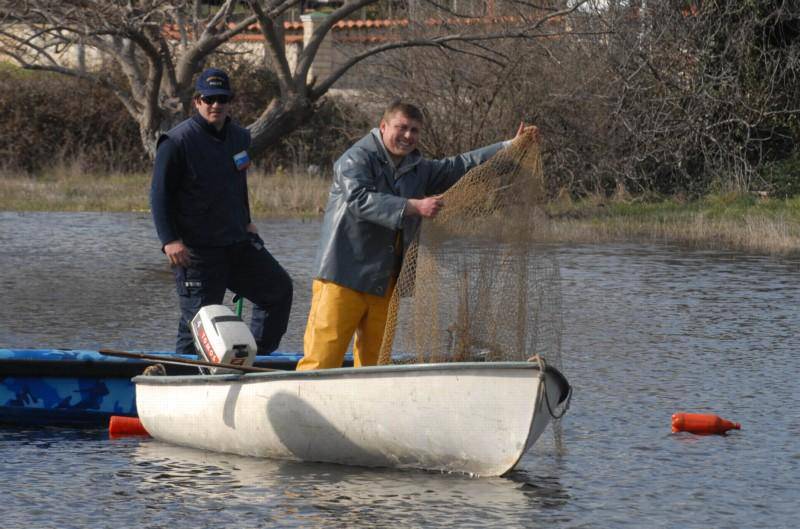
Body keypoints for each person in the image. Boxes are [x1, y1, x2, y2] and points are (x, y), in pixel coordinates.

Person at [297, 100, 538, 371]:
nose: (408, 136)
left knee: (375, 362)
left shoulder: (418, 167)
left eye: (414, 130)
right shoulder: (356, 158)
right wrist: (414, 206)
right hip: (343, 275)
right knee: (323, 356)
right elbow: (359, 199)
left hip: (385, 281)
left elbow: (459, 166)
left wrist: (509, 148)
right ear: (383, 126)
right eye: (401, 128)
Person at [150, 68, 293, 356]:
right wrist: (170, 241)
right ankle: (181, 380)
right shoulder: (176, 142)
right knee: (198, 324)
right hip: (196, 252)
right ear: (197, 101)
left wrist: (248, 221)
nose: (216, 105)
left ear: (230, 102)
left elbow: (237, 183)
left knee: (279, 290)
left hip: (238, 243)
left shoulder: (240, 138)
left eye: (222, 99)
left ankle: (255, 359)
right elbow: (158, 195)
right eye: (209, 98)